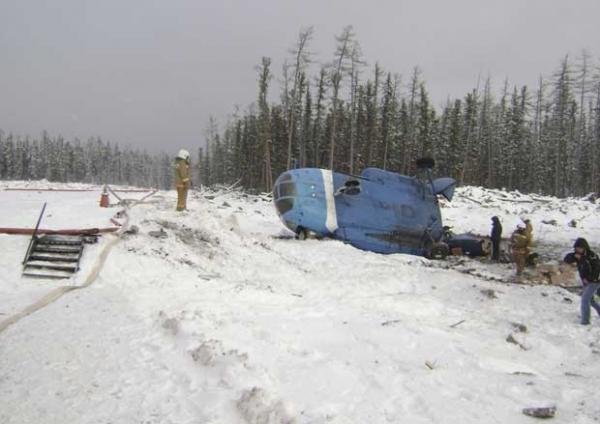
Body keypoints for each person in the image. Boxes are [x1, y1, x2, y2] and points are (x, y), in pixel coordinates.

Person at [564, 238, 600, 325]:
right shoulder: (577, 255)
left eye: (580, 248)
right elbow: (567, 259)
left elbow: (596, 269)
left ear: (585, 247)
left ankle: (585, 321)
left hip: (595, 281)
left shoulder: (592, 256)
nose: (578, 250)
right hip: (586, 281)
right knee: (591, 300)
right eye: (577, 248)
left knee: (585, 300)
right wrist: (573, 256)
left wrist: (589, 279)